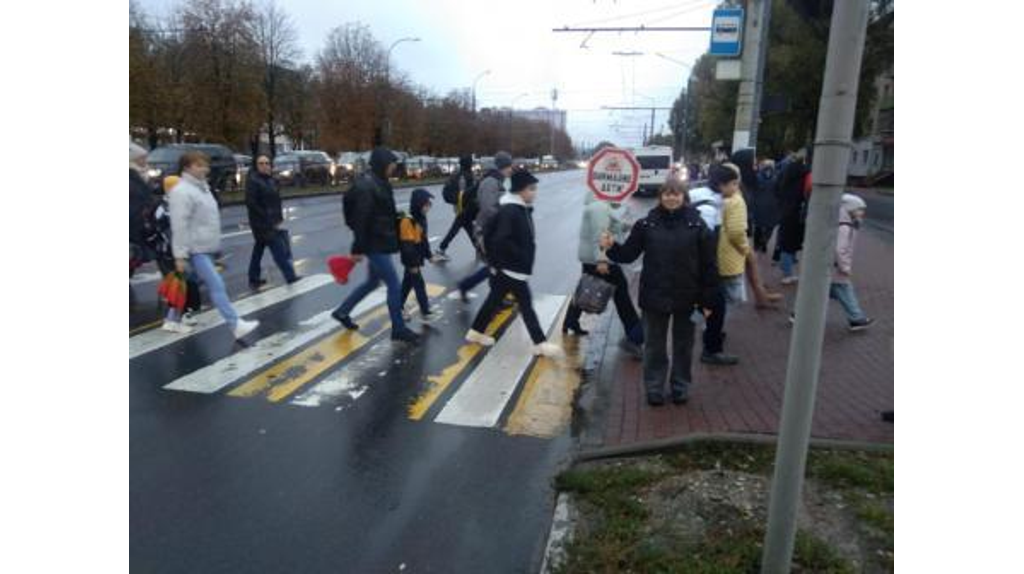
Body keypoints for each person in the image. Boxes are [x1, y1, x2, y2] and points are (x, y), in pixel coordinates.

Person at [600, 178, 718, 406]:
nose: (671, 198)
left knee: (684, 346)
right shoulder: (646, 225)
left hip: (688, 295)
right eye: (667, 194)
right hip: (655, 294)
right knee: (654, 346)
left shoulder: (697, 225)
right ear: (660, 196)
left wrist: (708, 298)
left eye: (676, 194)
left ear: (684, 197)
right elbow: (627, 255)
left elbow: (709, 265)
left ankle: (680, 386)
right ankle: (654, 387)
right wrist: (611, 246)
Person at [465, 169, 562, 357]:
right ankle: (540, 343)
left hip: (507, 268)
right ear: (520, 191)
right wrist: (520, 257)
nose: (535, 192)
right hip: (512, 268)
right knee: (526, 305)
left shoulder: (517, 208)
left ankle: (475, 332)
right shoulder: (511, 210)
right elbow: (500, 240)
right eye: (532, 189)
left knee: (494, 300)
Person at [165, 151, 260, 339]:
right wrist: (180, 255)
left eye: (205, 165)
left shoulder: (203, 188)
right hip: (194, 249)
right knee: (216, 285)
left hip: (205, 247)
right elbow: (179, 225)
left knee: (186, 283)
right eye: (199, 165)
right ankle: (235, 324)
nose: (204, 169)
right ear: (187, 168)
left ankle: (172, 319)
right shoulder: (182, 191)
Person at [335, 147, 419, 343]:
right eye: (391, 165)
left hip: (380, 239)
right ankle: (398, 328)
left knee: (372, 282)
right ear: (382, 164)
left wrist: (397, 217)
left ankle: (342, 312)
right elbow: (361, 219)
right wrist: (357, 248)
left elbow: (380, 211)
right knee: (394, 286)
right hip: (374, 242)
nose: (393, 169)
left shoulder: (380, 182)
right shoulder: (368, 185)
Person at [562, 193, 644, 354]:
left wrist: (627, 226)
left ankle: (570, 321)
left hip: (592, 258)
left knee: (586, 289)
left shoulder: (601, 205)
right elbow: (599, 235)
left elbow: (610, 227)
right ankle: (634, 334)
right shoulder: (600, 207)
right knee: (622, 295)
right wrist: (602, 259)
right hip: (600, 259)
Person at [688, 165, 740, 365]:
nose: (736, 188)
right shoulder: (708, 208)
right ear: (721, 185)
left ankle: (712, 342)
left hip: (692, 267)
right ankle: (711, 350)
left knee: (687, 308)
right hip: (699, 269)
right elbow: (704, 243)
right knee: (715, 304)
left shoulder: (702, 195)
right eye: (733, 184)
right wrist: (708, 274)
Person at [456, 151, 514, 301]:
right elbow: (488, 208)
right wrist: (505, 217)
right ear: (503, 166)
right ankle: (496, 297)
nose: (511, 169)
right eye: (509, 166)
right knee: (496, 265)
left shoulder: (498, 180)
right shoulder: (491, 182)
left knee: (495, 265)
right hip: (486, 231)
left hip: (492, 229)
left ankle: (468, 286)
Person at [729, 150, 782, 308]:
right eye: (752, 162)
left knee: (752, 265)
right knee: (745, 267)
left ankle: (761, 296)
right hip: (735, 231)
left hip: (744, 229)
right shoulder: (736, 183)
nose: (755, 165)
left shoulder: (748, 181)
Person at [245, 154, 299, 290]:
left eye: (267, 163)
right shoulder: (253, 181)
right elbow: (251, 203)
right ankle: (290, 275)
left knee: (258, 250)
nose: (264, 166)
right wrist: (267, 218)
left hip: (271, 221)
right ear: (256, 166)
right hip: (261, 223)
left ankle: (253, 278)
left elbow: (276, 201)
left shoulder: (271, 180)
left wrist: (279, 218)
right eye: (261, 163)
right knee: (278, 248)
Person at [830, 194, 874, 331]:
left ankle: (798, 313)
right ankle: (856, 319)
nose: (862, 213)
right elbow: (839, 249)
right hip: (837, 269)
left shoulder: (844, 225)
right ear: (849, 209)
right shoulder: (845, 227)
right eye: (859, 209)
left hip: (832, 269)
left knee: (818, 293)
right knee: (846, 291)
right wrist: (845, 267)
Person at [398, 188, 439, 321]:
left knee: (407, 283)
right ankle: (425, 311)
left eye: (429, 206)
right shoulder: (407, 221)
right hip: (411, 259)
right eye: (426, 205)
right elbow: (407, 246)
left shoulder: (421, 218)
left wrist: (429, 255)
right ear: (418, 204)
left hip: (416, 257)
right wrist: (413, 264)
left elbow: (423, 239)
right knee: (419, 283)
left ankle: (398, 305)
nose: (428, 208)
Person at [775, 148, 811, 284]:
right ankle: (787, 273)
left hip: (785, 210)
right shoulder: (806, 173)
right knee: (792, 243)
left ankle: (787, 271)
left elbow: (776, 188)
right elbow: (808, 193)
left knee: (786, 243)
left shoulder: (785, 171)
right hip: (798, 211)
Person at [436, 155, 477, 260]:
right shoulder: (469, 175)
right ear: (469, 164)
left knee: (465, 227)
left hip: (458, 205)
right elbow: (469, 193)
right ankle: (441, 248)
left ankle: (479, 248)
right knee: (458, 227)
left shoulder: (456, 174)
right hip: (466, 207)